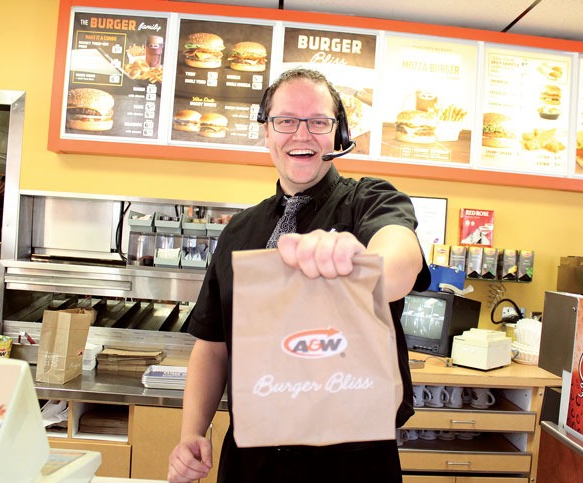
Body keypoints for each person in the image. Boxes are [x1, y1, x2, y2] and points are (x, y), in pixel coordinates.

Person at [167, 68, 429, 483]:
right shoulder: (239, 231)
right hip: (251, 458)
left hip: (351, 460)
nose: (301, 135)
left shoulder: (370, 201)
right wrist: (191, 433)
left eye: (318, 122)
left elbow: (401, 260)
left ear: (339, 135)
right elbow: (213, 345)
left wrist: (361, 261)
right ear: (266, 133)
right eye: (286, 121)